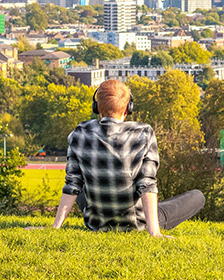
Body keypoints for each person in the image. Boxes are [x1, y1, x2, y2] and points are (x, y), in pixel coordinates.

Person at [49, 79, 205, 237]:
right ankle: (151, 223)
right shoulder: (143, 133)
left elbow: (72, 184)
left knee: (80, 184)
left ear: (96, 107)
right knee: (197, 196)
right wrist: (155, 232)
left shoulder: (80, 132)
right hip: (135, 223)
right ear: (128, 109)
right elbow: (147, 185)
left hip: (96, 223)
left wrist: (55, 227)